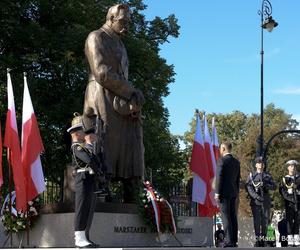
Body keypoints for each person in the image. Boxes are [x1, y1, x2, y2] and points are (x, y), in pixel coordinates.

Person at [83, 3, 145, 203]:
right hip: (101, 96)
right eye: (122, 21)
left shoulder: (120, 43)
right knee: (106, 141)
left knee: (130, 144)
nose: (126, 26)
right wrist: (131, 90)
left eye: (129, 22)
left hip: (119, 100)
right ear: (110, 18)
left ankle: (130, 189)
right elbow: (101, 72)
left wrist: (131, 98)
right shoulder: (96, 37)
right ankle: (102, 188)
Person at [68, 113, 101, 248]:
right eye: (81, 132)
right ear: (76, 134)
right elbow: (89, 160)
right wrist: (95, 163)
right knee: (81, 208)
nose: (84, 134)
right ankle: (79, 239)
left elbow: (96, 160)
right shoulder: (76, 147)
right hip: (82, 178)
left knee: (87, 208)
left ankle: (84, 237)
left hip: (88, 179)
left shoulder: (83, 147)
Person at [246, 156, 276, 247]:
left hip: (265, 200)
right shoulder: (252, 175)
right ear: (256, 165)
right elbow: (248, 187)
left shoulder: (267, 175)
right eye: (259, 163)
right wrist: (255, 196)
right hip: (256, 201)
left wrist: (266, 185)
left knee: (265, 221)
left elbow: (274, 186)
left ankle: (263, 240)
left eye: (262, 163)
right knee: (257, 221)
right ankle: (258, 240)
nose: (261, 164)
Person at [215, 141, 240, 247]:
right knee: (233, 216)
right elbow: (238, 179)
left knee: (225, 216)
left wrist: (217, 192)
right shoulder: (236, 162)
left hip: (223, 193)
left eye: (221, 148)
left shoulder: (222, 161)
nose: (220, 151)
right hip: (233, 192)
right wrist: (236, 192)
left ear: (224, 148)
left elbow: (219, 177)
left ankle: (229, 241)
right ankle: (234, 240)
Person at [279, 159, 300, 246]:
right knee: (289, 221)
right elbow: (282, 191)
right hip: (289, 203)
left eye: (294, 166)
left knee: (297, 220)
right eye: (291, 166)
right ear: (288, 168)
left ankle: (296, 237)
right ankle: (290, 237)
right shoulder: (285, 179)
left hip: (298, 202)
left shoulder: (298, 178)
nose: (293, 168)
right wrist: (290, 199)